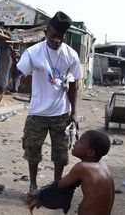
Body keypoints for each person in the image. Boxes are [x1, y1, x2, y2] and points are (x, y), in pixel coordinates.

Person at [17, 11, 82, 192]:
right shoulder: (33, 52)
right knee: (32, 151)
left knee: (61, 154)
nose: (56, 41)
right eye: (53, 36)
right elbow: (23, 75)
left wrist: (74, 112)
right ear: (46, 32)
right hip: (37, 112)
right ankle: (33, 185)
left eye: (60, 37)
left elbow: (74, 84)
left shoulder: (71, 55)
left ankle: (55, 186)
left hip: (61, 113)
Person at [29, 130, 114, 215]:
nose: (75, 142)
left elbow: (59, 186)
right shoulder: (102, 165)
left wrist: (38, 197)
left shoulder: (83, 167)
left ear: (90, 153)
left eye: (80, 141)